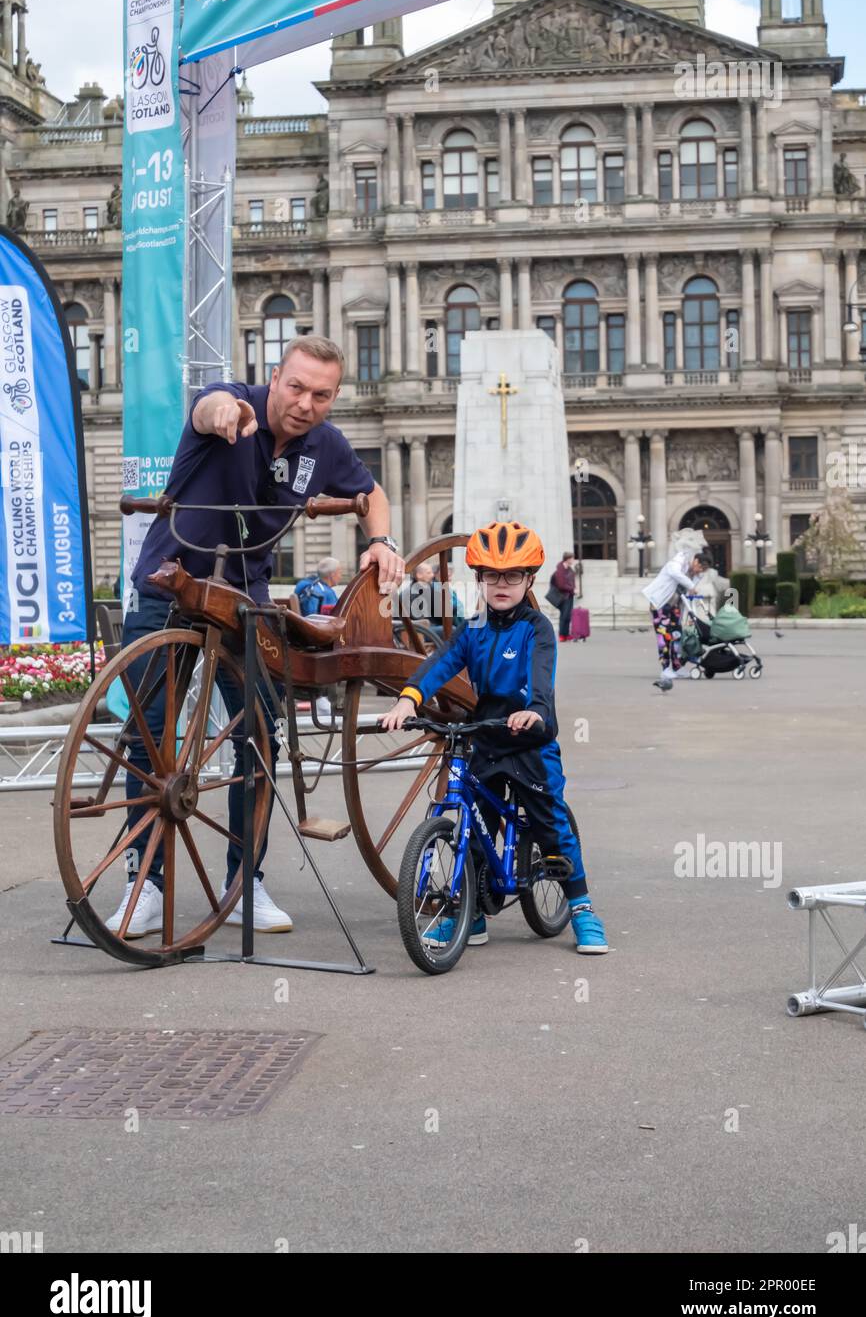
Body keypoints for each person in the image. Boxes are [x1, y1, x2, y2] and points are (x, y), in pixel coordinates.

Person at [109, 335, 404, 937]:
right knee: (149, 740)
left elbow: (369, 494)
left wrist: (381, 540)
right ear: (275, 377)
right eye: (295, 387)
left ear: (333, 398)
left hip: (247, 599)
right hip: (173, 585)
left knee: (258, 737)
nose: (304, 403)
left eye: (321, 395)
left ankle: (246, 884)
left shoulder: (326, 445)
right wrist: (224, 415)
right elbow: (208, 408)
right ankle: (144, 885)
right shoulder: (232, 405)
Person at [380, 520, 608, 956]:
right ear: (479, 579)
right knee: (475, 817)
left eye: (513, 576)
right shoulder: (474, 626)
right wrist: (408, 699)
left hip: (529, 740)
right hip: (484, 735)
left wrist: (535, 711)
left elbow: (542, 678)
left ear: (529, 580)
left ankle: (580, 908)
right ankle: (473, 912)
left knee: (550, 823)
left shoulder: (537, 628)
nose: (501, 584)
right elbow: (441, 663)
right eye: (491, 575)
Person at [642, 544, 706, 692]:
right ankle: (665, 668)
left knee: (677, 635)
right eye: (700, 568)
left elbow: (691, 594)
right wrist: (690, 584)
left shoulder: (694, 575)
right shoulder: (680, 560)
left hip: (674, 606)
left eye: (703, 571)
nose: (700, 572)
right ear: (695, 561)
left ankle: (676, 667)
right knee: (663, 637)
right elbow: (674, 573)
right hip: (659, 603)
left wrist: (692, 614)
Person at [551, 551, 577, 642]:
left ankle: (566, 634)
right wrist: (572, 589)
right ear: (568, 559)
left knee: (568, 616)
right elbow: (561, 585)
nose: (573, 560)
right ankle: (562, 635)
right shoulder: (560, 569)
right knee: (564, 615)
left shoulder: (570, 570)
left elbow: (572, 582)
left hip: (570, 595)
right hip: (563, 596)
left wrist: (574, 589)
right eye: (572, 558)